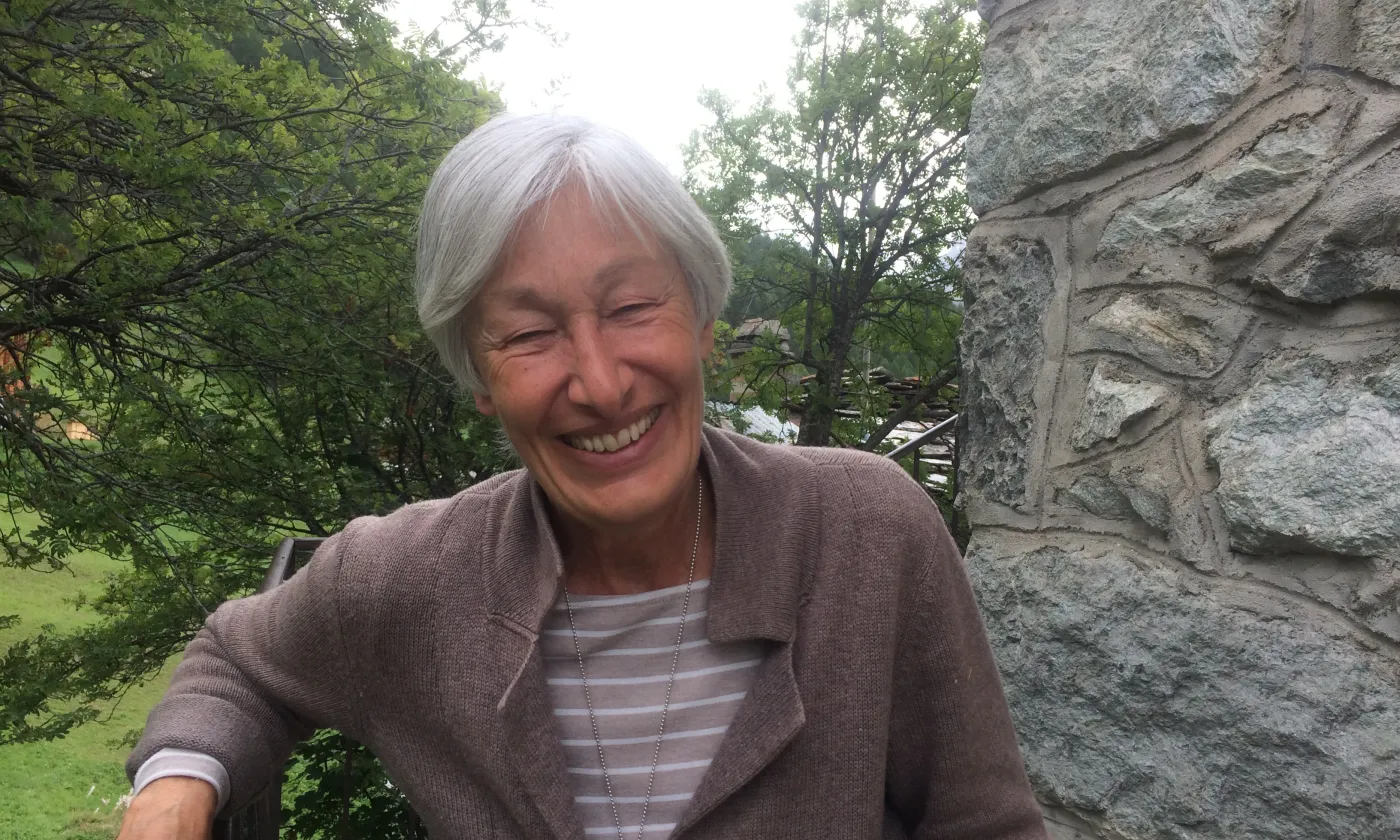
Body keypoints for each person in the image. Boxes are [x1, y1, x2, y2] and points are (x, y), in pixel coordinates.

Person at [117, 113, 1047, 839]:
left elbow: (985, 825)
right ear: (480, 380)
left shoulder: (868, 532)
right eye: (529, 333)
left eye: (633, 307)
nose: (600, 385)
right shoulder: (416, 578)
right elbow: (239, 663)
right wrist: (176, 785)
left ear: (703, 322)